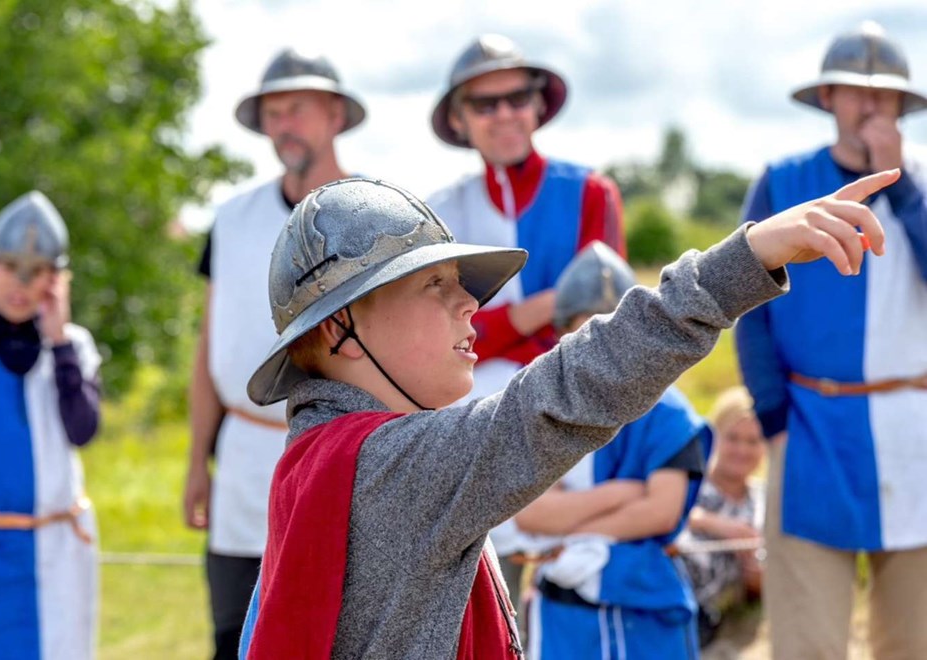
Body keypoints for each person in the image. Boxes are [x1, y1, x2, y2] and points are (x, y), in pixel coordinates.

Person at [238, 169, 896, 657]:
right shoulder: (386, 465)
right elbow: (561, 395)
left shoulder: (328, 461)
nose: (469, 304)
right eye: (433, 284)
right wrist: (741, 264)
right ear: (336, 332)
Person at [735, 21, 927, 660]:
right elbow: (748, 305)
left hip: (914, 429)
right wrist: (773, 418)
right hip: (810, 427)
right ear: (827, 98)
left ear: (903, 104)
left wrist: (901, 189)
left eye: (885, 93)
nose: (870, 106)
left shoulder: (924, 188)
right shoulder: (784, 184)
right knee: (808, 643)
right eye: (853, 91)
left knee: (912, 639)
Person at [425, 31, 628, 616]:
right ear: (460, 119)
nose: (504, 114)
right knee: (477, 607)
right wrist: (546, 304)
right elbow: (444, 337)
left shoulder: (590, 191)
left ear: (538, 104)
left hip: (572, 409)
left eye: (516, 97)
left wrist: (496, 321)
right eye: (484, 104)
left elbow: (601, 321)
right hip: (471, 423)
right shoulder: (444, 209)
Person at [181, 47, 365, 659]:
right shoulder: (231, 220)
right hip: (242, 458)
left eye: (297, 109)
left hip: (342, 454)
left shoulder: (375, 215)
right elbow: (213, 347)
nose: (283, 124)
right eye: (273, 112)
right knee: (233, 635)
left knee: (334, 632)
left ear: (334, 114)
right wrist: (196, 463)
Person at [512, 241, 710, 659]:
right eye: (585, 332)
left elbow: (661, 510)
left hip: (644, 598)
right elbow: (530, 511)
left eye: (610, 330)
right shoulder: (543, 408)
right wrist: (619, 496)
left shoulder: (669, 411)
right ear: (564, 333)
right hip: (563, 604)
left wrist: (577, 533)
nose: (598, 347)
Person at [0, 191, 102, 659]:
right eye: (10, 267)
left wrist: (59, 343)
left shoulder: (73, 347)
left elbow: (82, 429)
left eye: (38, 272)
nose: (20, 284)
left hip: (61, 554)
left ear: (57, 279)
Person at [678, 386, 765, 648]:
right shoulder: (688, 482)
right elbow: (660, 516)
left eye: (753, 441)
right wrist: (713, 524)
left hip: (713, 622)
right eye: (733, 438)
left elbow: (758, 592)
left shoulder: (763, 502)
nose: (742, 450)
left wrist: (754, 572)